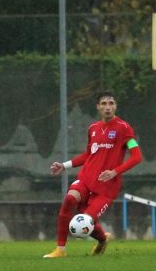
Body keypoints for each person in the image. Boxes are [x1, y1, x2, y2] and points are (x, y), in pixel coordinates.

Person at [43, 91, 142, 258]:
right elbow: (89, 154)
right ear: (98, 107)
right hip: (86, 179)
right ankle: (61, 249)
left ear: (115, 106)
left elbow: (137, 157)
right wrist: (64, 165)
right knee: (69, 199)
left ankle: (102, 240)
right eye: (104, 104)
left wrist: (114, 172)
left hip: (106, 188)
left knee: (86, 222)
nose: (108, 107)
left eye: (111, 103)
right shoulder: (93, 129)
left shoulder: (124, 129)